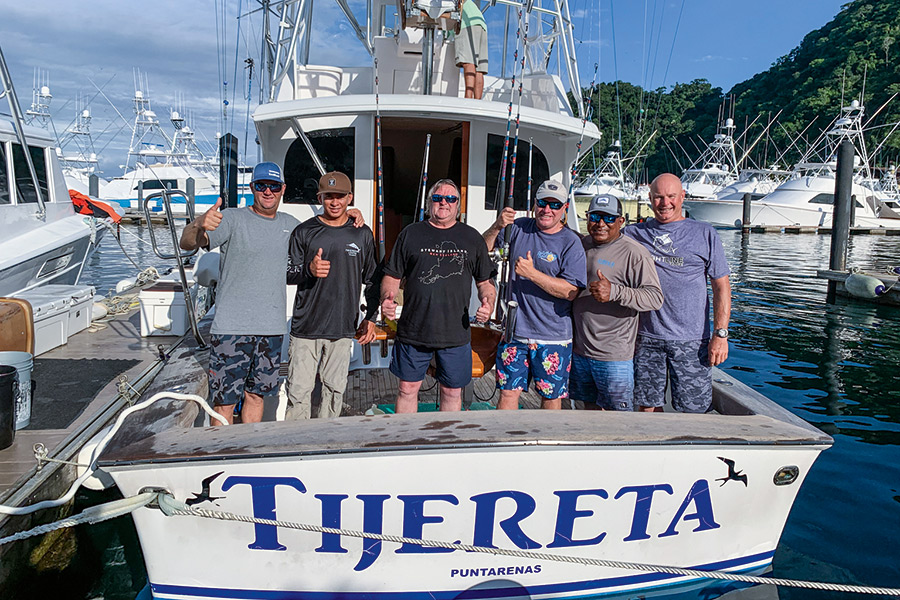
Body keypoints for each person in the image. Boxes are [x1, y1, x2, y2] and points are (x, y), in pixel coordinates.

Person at [179, 161, 300, 424]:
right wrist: (198, 223)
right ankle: (220, 449)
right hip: (231, 330)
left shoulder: (292, 225)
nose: (268, 191)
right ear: (252, 187)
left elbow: (325, 231)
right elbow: (187, 243)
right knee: (224, 401)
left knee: (256, 396)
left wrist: (351, 215)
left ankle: (246, 445)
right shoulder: (232, 218)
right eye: (262, 185)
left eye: (274, 186)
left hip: (271, 329)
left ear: (283, 189)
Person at [381, 179, 496, 412]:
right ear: (429, 203)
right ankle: (406, 433)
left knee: (452, 391)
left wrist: (489, 302)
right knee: (407, 389)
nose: (444, 202)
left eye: (451, 199)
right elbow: (392, 276)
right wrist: (387, 299)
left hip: (455, 333)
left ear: (458, 206)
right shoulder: (410, 234)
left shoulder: (472, 238)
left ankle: (447, 435)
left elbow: (485, 282)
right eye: (438, 198)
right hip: (413, 330)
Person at [623, 173, 732, 413]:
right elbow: (599, 240)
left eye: (671, 196)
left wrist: (721, 335)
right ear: (650, 199)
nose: (665, 203)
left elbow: (721, 286)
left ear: (682, 196)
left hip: (692, 341)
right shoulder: (633, 234)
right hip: (646, 338)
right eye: (658, 197)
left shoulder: (705, 233)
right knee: (647, 407)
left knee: (694, 411)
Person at [483, 180, 586, 410]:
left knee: (550, 397)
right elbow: (481, 250)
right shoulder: (518, 227)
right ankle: (503, 435)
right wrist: (497, 226)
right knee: (508, 393)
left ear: (565, 208)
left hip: (553, 337)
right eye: (542, 203)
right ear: (534, 204)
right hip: (514, 333)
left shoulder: (571, 242)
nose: (547, 209)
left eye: (554, 205)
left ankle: (546, 435)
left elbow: (570, 291)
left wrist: (532, 274)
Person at [285, 171, 379, 419]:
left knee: (334, 392)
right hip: (305, 329)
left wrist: (371, 317)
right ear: (320, 198)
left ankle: (327, 439)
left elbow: (372, 280)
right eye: (328, 196)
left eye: (340, 196)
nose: (334, 202)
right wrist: (309, 269)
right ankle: (293, 441)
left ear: (349, 198)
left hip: (342, 329)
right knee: (298, 394)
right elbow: (287, 273)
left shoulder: (362, 234)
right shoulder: (304, 231)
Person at [570, 194, 663, 411]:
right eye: (595, 217)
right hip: (580, 352)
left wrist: (615, 292)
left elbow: (655, 298)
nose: (601, 224)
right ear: (587, 218)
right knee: (588, 411)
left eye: (609, 218)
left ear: (621, 221)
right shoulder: (581, 245)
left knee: (619, 419)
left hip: (614, 358)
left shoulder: (635, 253)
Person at [455, 0, 488, 99]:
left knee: (468, 62)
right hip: (481, 23)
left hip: (467, 22)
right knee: (479, 69)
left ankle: (468, 99)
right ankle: (477, 102)